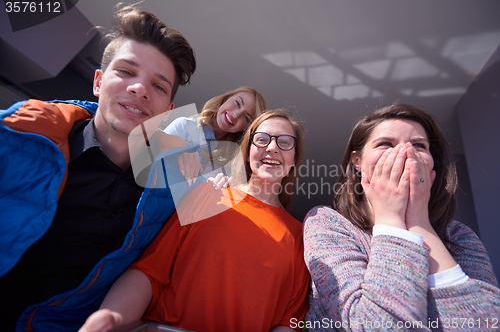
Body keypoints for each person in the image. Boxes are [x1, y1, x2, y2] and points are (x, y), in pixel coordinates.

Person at [0, 4, 196, 331]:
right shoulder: (18, 138)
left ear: (169, 111)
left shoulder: (172, 186)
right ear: (98, 81)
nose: (140, 89)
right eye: (127, 72)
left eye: (159, 86)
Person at [79, 109, 310, 332]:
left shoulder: (302, 238)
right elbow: (151, 272)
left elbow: (289, 322)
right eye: (261, 139)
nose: (271, 148)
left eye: (285, 142)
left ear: (294, 158)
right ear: (248, 152)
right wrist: (112, 319)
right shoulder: (207, 195)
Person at [303, 103, 500, 331]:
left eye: (418, 145)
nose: (406, 153)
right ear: (356, 162)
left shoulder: (459, 236)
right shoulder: (328, 223)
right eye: (385, 144)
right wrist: (390, 217)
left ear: (432, 167)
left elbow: (487, 325)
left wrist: (419, 222)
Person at [161, 86, 266, 186]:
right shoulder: (184, 126)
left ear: (246, 128)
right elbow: (152, 164)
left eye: (246, 117)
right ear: (226, 99)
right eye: (237, 103)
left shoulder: (234, 161)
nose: (236, 114)